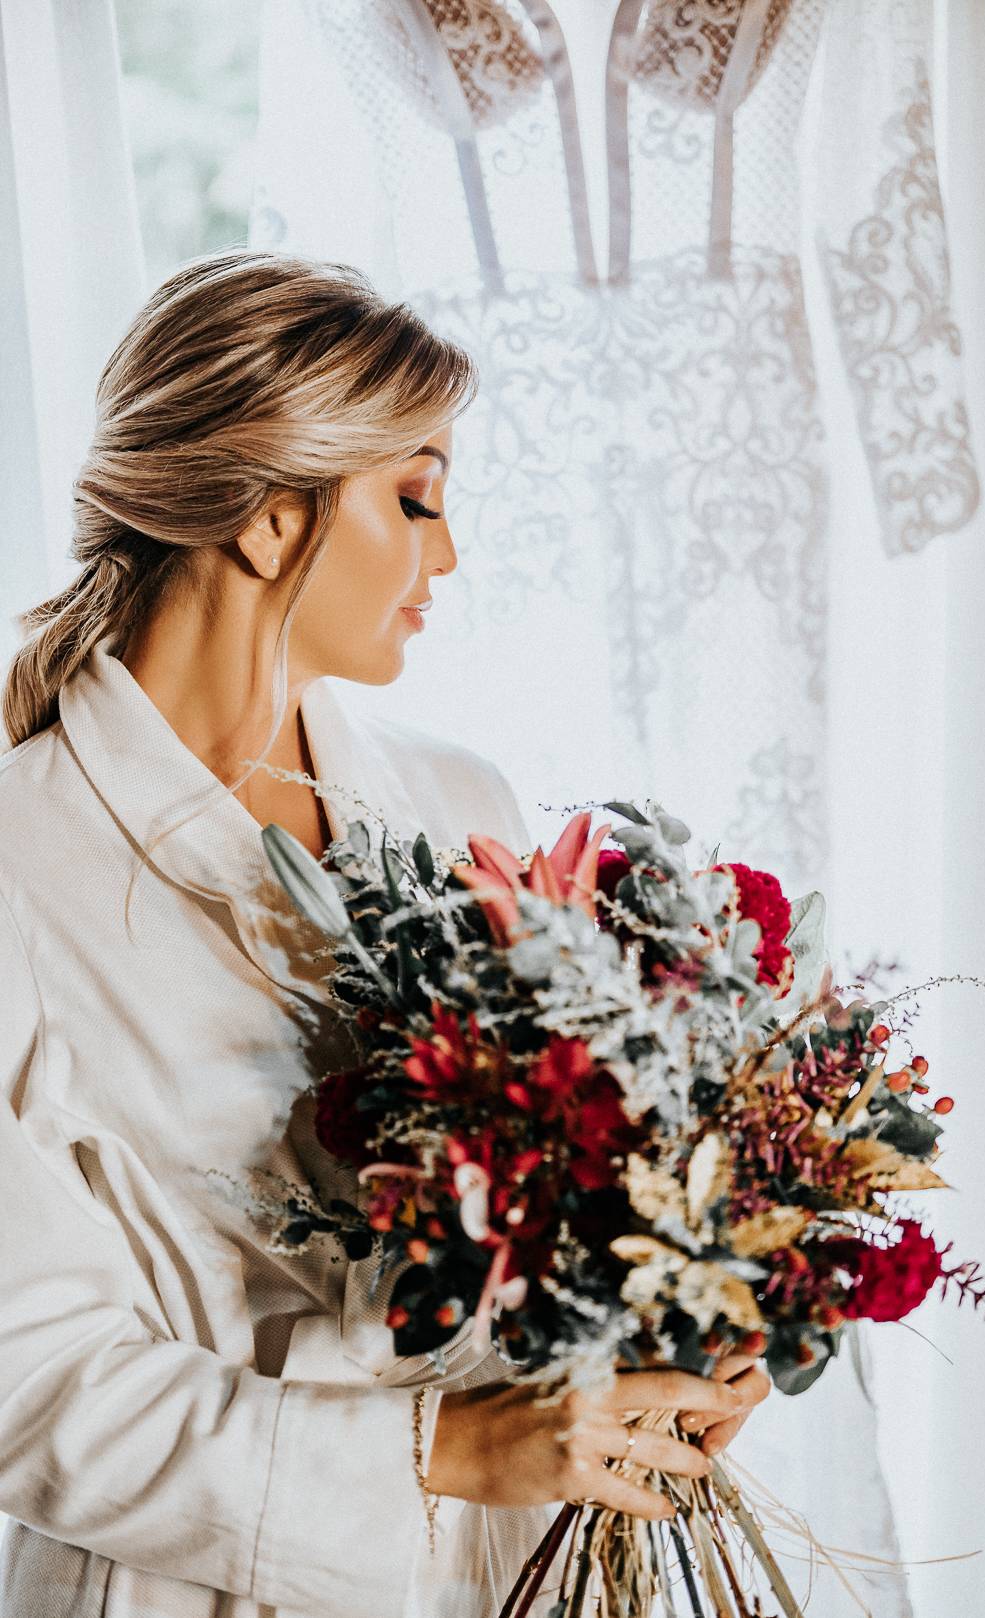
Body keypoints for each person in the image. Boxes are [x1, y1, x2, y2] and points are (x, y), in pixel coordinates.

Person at [0, 250, 770, 1618]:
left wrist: (659, 1316)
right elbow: (30, 1387)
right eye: (416, 498)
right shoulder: (21, 863)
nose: (448, 554)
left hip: (508, 1567)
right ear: (268, 523)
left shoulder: (461, 802)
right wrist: (440, 1451)